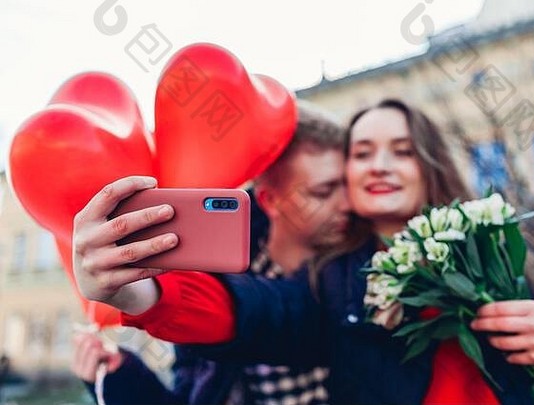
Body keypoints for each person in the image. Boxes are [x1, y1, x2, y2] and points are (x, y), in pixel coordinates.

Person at [74, 99, 534, 404]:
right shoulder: (335, 280)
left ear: (430, 164)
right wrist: (134, 288)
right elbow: (254, 312)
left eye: (401, 151)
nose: (380, 165)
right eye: (362, 152)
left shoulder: (511, 247)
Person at [71, 101, 349, 404]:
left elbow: (275, 314)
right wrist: (122, 376)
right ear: (270, 200)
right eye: (323, 192)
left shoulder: (359, 267)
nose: (346, 205)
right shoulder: (212, 272)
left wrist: (144, 295)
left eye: (348, 186)